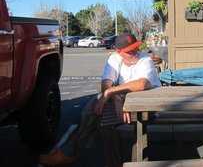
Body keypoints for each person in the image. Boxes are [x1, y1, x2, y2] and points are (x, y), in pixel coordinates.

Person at [39, 33, 161, 167]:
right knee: (98, 110)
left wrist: (112, 93)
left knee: (98, 115)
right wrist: (115, 98)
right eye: (129, 51)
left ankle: (68, 154)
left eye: (136, 48)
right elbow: (106, 83)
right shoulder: (115, 59)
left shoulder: (145, 60)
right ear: (119, 52)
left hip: (147, 107)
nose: (134, 52)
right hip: (125, 103)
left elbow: (142, 84)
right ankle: (78, 155)